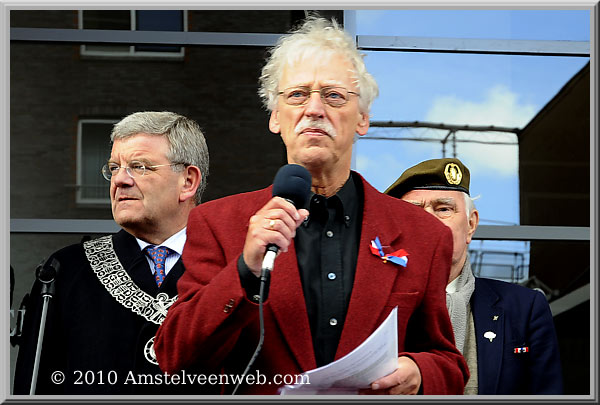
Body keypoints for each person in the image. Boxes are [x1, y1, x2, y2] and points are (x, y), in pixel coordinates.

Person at [155, 17, 468, 395]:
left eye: (334, 95)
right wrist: (245, 269)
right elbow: (176, 358)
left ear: (363, 119)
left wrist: (420, 372)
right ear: (276, 118)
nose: (314, 109)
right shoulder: (219, 223)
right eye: (298, 95)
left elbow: (448, 362)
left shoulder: (423, 234)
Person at [13, 111, 212, 394]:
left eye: (140, 166)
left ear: (188, 181)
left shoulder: (235, 270)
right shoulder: (65, 272)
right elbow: (32, 388)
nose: (120, 180)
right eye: (113, 168)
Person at [385, 157, 564, 395]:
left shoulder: (524, 308)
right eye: (413, 211)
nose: (428, 221)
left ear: (471, 224)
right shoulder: (374, 307)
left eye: (444, 209)